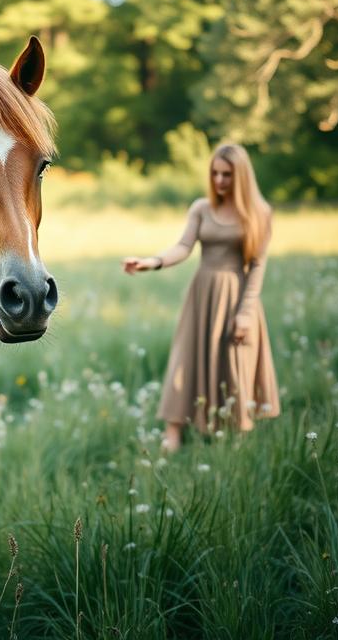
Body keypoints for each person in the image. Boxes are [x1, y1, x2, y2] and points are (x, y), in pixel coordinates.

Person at [122, 144, 280, 452]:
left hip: (237, 295)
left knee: (235, 363)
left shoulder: (260, 214)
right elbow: (183, 247)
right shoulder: (201, 208)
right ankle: (173, 434)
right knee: (186, 358)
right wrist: (151, 262)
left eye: (227, 175)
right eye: (215, 174)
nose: (220, 181)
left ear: (242, 177)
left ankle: (237, 433)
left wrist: (246, 313)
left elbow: (257, 266)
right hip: (201, 294)